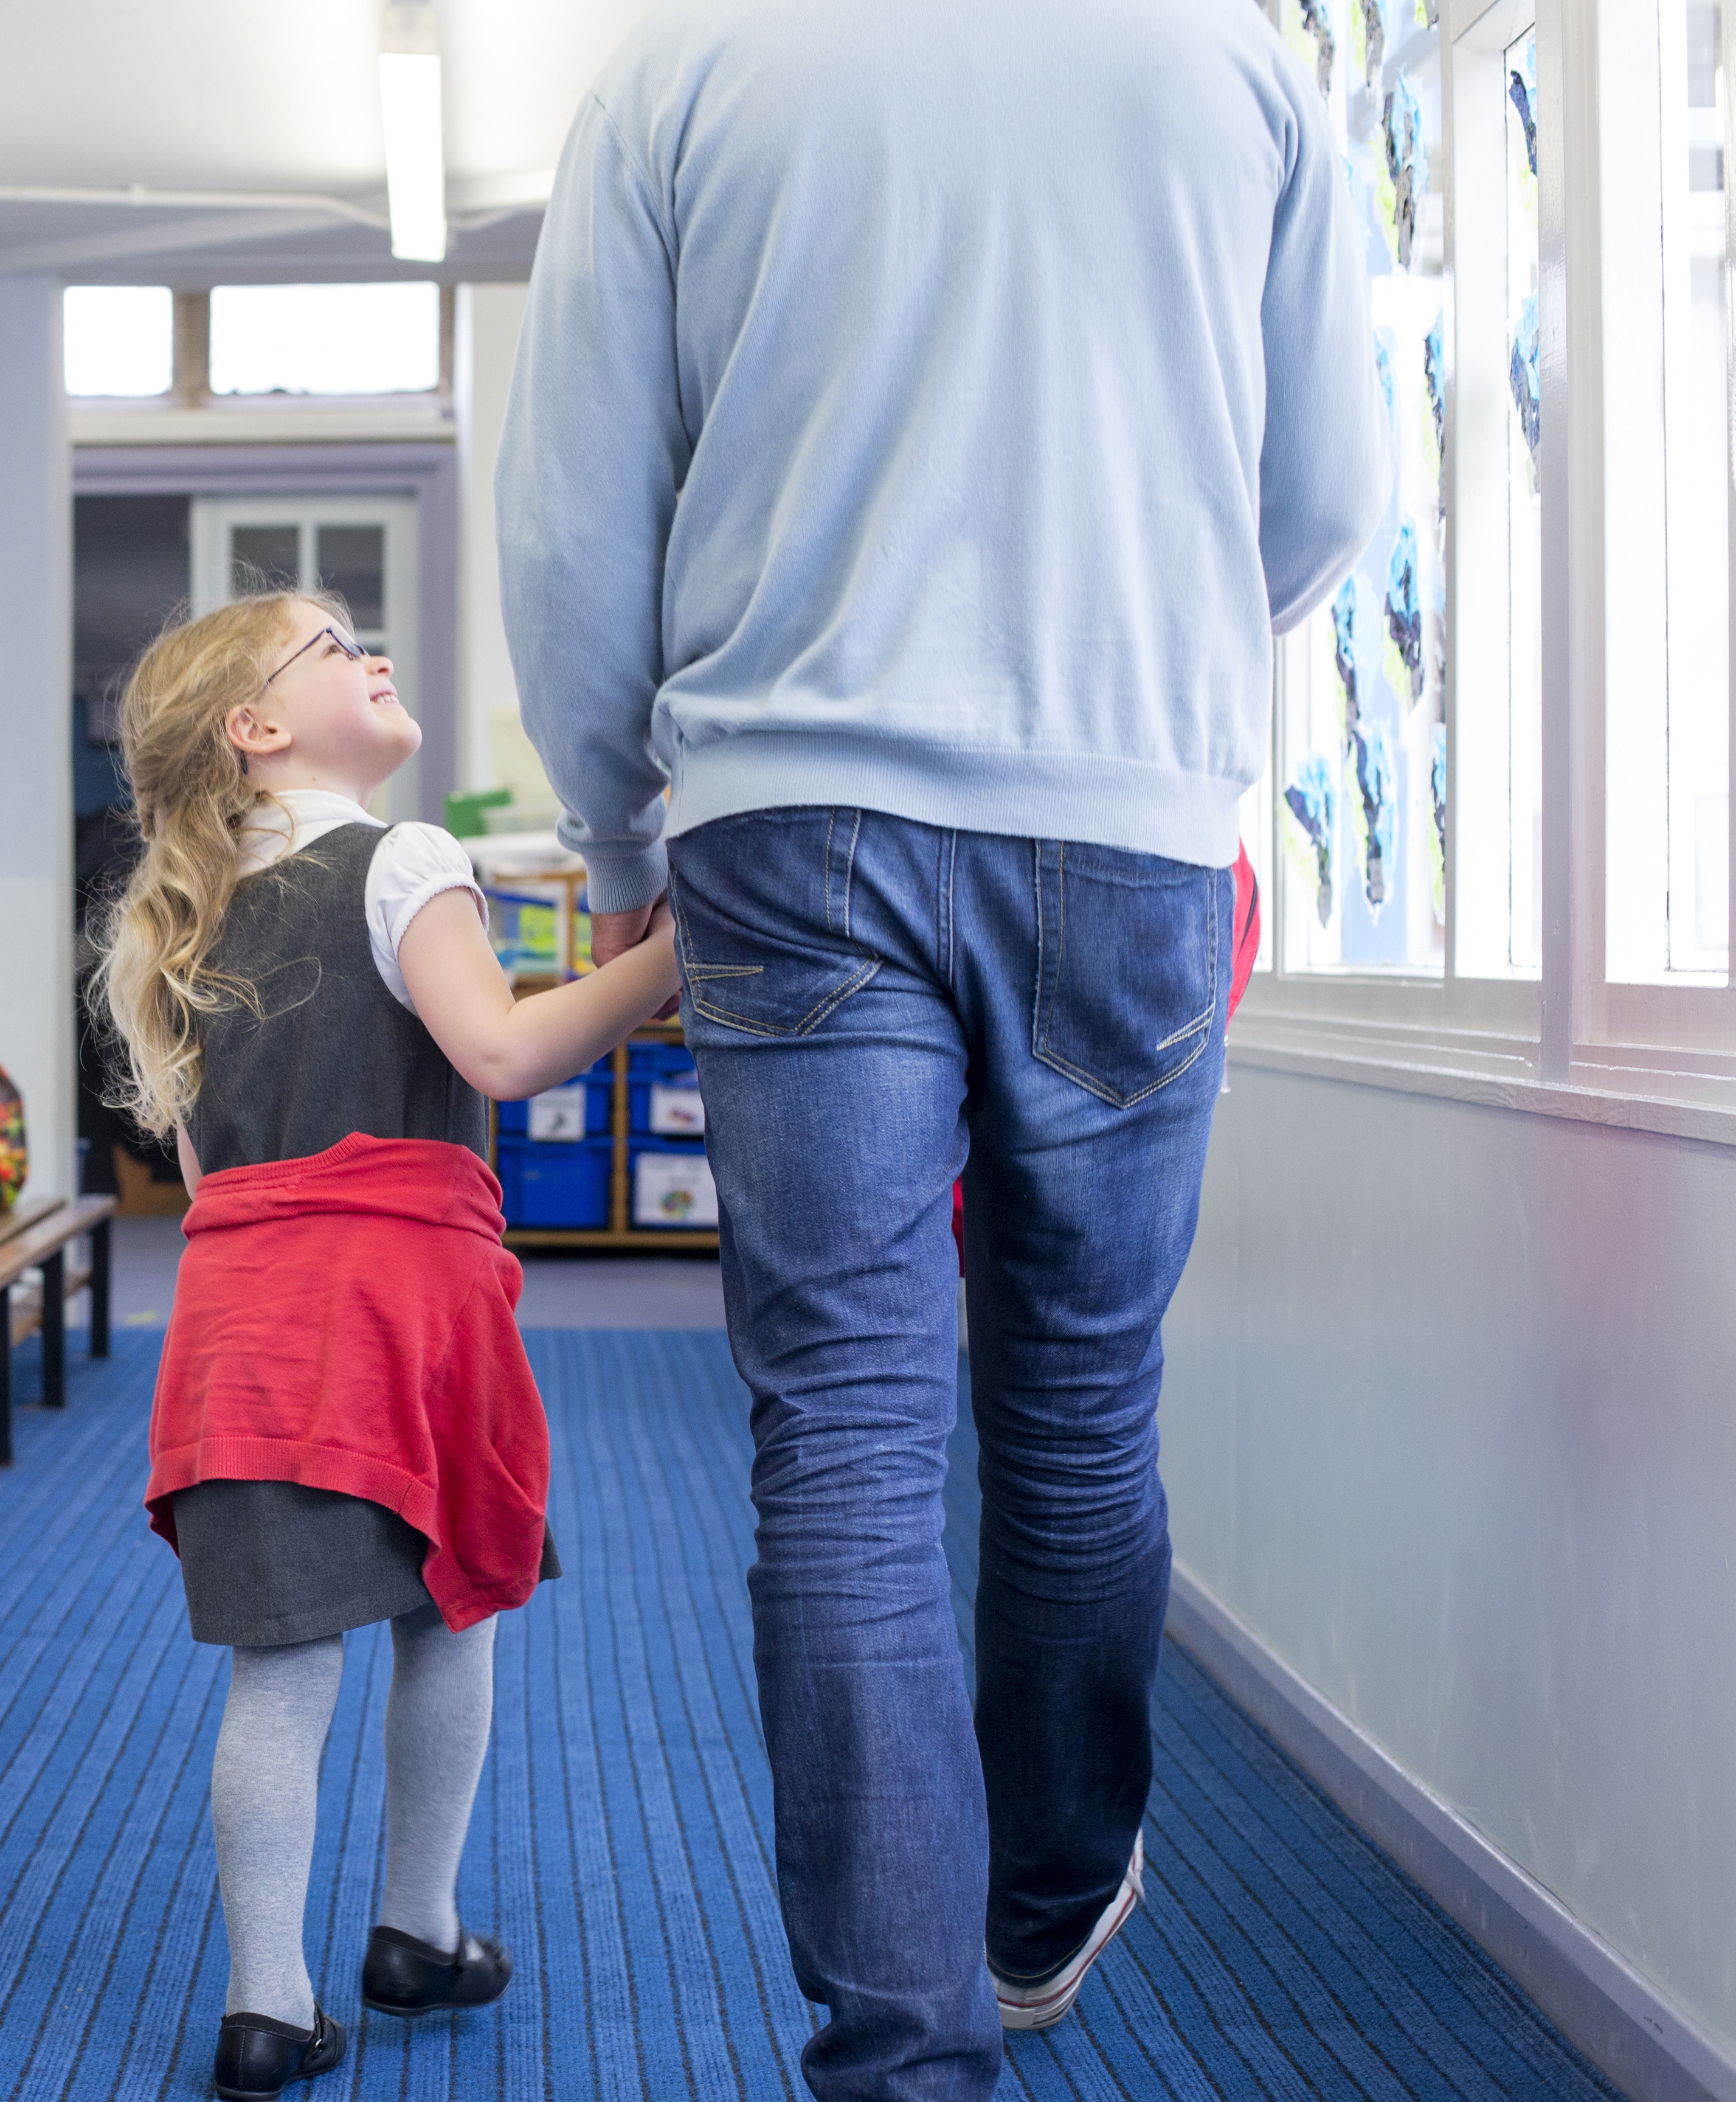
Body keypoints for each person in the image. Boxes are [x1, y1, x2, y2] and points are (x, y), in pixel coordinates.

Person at [495, 2, 1386, 2097]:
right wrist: (1135, 668)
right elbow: (1329, 491)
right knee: (1077, 1411)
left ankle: (897, 2055)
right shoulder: (1241, 58)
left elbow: (569, 520)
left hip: (787, 820)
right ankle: (1040, 1905)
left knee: (849, 1438)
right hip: (1127, 818)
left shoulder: (682, 64)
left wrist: (614, 834)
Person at [92, 592, 683, 2100]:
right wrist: (680, 954)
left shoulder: (184, 914)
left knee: (278, 1669)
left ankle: (266, 2006)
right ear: (260, 727)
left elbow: (214, 1168)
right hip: (400, 1310)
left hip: (243, 1324)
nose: (372, 652)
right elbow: (502, 1053)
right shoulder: (404, 857)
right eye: (332, 642)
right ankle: (417, 1929)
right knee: (449, 1609)